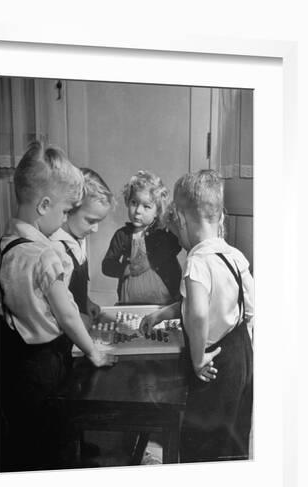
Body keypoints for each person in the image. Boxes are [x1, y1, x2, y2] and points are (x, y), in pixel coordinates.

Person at [0, 142, 110, 472]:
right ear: (45, 205)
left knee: (27, 438)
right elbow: (67, 314)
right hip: (45, 363)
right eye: (64, 212)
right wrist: (93, 351)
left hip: (15, 362)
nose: (64, 221)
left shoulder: (7, 245)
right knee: (54, 441)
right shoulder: (45, 255)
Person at [140, 169, 254, 462]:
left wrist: (197, 357)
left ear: (179, 217)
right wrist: (166, 312)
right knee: (232, 434)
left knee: (202, 441)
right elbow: (246, 307)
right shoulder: (235, 255)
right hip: (240, 354)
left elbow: (201, 312)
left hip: (212, 360)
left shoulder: (197, 262)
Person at [102, 170, 181, 305]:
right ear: (127, 201)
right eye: (134, 203)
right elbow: (107, 265)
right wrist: (125, 269)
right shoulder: (122, 235)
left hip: (163, 302)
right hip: (129, 302)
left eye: (146, 207)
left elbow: (176, 245)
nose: (138, 211)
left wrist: (150, 262)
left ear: (157, 211)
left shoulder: (163, 234)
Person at [50, 167, 114, 322]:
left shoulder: (78, 240)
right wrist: (77, 319)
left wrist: (86, 301)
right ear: (70, 209)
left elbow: (73, 287)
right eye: (91, 221)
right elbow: (53, 305)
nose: (95, 229)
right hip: (65, 328)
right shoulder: (55, 247)